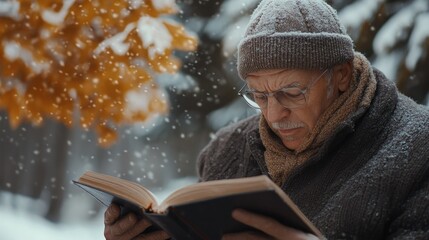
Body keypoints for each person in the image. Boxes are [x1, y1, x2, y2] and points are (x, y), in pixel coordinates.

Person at [103, 0, 429, 239]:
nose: (274, 115)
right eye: (259, 95)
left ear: (341, 75)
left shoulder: (418, 148)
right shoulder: (225, 153)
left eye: (292, 92)